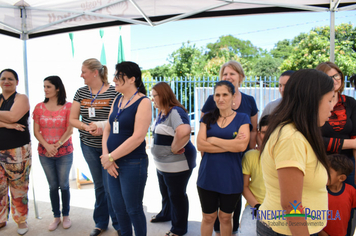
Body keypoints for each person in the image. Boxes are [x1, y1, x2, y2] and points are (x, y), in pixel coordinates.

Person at [257, 69, 334, 236]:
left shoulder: (298, 132)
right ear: (313, 101)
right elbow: (291, 205)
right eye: (329, 100)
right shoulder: (291, 139)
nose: (332, 107)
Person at [201, 60, 258, 235]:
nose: (220, 99)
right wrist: (230, 146)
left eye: (232, 73)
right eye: (225, 74)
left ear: (240, 77)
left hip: (236, 166)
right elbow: (201, 143)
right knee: (209, 216)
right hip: (210, 168)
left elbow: (247, 137)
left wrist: (213, 140)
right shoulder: (210, 109)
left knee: (228, 214)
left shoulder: (245, 108)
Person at [69, 58, 120, 236]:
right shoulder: (81, 92)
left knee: (110, 186)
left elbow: (118, 119)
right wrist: (86, 126)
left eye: (83, 71)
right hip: (89, 146)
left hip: (110, 147)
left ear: (94, 73)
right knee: (99, 185)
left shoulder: (114, 92)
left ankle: (118, 223)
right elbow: (73, 119)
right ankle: (100, 223)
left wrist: (101, 127)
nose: (81, 75)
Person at [101, 61, 151, 236]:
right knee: (118, 209)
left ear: (131, 79)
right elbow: (107, 128)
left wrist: (111, 157)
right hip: (112, 163)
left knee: (133, 209)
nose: (113, 79)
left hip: (133, 163)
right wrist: (106, 156)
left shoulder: (144, 102)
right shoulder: (117, 99)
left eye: (118, 75)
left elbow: (138, 137)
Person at [150, 82, 197, 236]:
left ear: (163, 95)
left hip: (177, 164)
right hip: (163, 165)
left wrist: (174, 148)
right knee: (166, 192)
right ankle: (166, 214)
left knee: (177, 195)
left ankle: (179, 228)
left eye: (154, 96)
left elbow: (184, 131)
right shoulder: (162, 112)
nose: (152, 99)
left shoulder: (175, 111)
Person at [32, 76, 73, 231]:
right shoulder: (38, 107)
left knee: (64, 185)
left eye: (48, 86)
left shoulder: (69, 106)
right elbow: (36, 131)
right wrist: (47, 147)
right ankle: (56, 216)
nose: (45, 89)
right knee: (52, 186)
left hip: (65, 152)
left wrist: (57, 145)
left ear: (57, 88)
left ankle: (66, 215)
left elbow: (70, 130)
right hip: (45, 153)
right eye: (44, 86)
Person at [0, 69, 31, 235]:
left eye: (10, 79)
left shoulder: (21, 98)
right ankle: (1, 219)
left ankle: (21, 221)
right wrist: (6, 124)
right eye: (3, 78)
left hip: (17, 151)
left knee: (18, 189)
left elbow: (13, 116)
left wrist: (8, 121)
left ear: (16, 82)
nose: (7, 81)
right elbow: (9, 120)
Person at [316, 62, 356, 189]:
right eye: (329, 77)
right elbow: (316, 140)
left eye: (337, 76)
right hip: (321, 164)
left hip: (348, 166)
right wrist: (351, 143)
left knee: (347, 204)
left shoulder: (350, 103)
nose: (334, 80)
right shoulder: (313, 104)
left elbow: (355, 135)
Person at [239, 115, 268, 236]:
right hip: (254, 206)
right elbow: (244, 186)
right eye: (263, 132)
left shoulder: (285, 157)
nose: (266, 136)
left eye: (271, 132)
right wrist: (256, 206)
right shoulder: (251, 156)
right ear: (259, 133)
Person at [319, 154, 356, 236]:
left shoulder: (351, 191)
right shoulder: (319, 191)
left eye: (328, 172)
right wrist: (320, 232)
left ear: (341, 178)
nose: (323, 174)